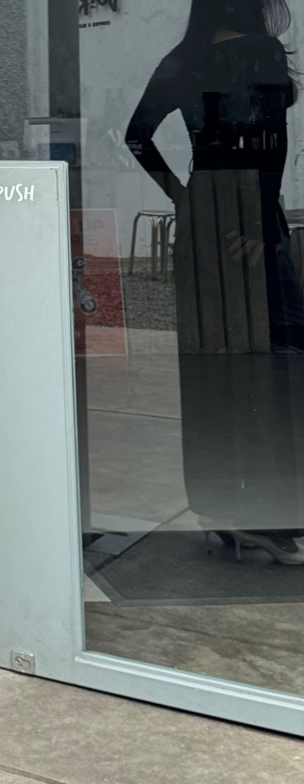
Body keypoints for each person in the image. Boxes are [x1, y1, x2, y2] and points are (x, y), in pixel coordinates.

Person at [126, 0, 304, 566]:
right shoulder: (261, 51)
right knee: (279, 364)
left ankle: (219, 507)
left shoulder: (183, 58)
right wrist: (260, 228)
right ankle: (275, 516)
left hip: (203, 222)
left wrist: (184, 197)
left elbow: (136, 136)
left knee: (211, 367)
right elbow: (271, 143)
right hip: (251, 219)